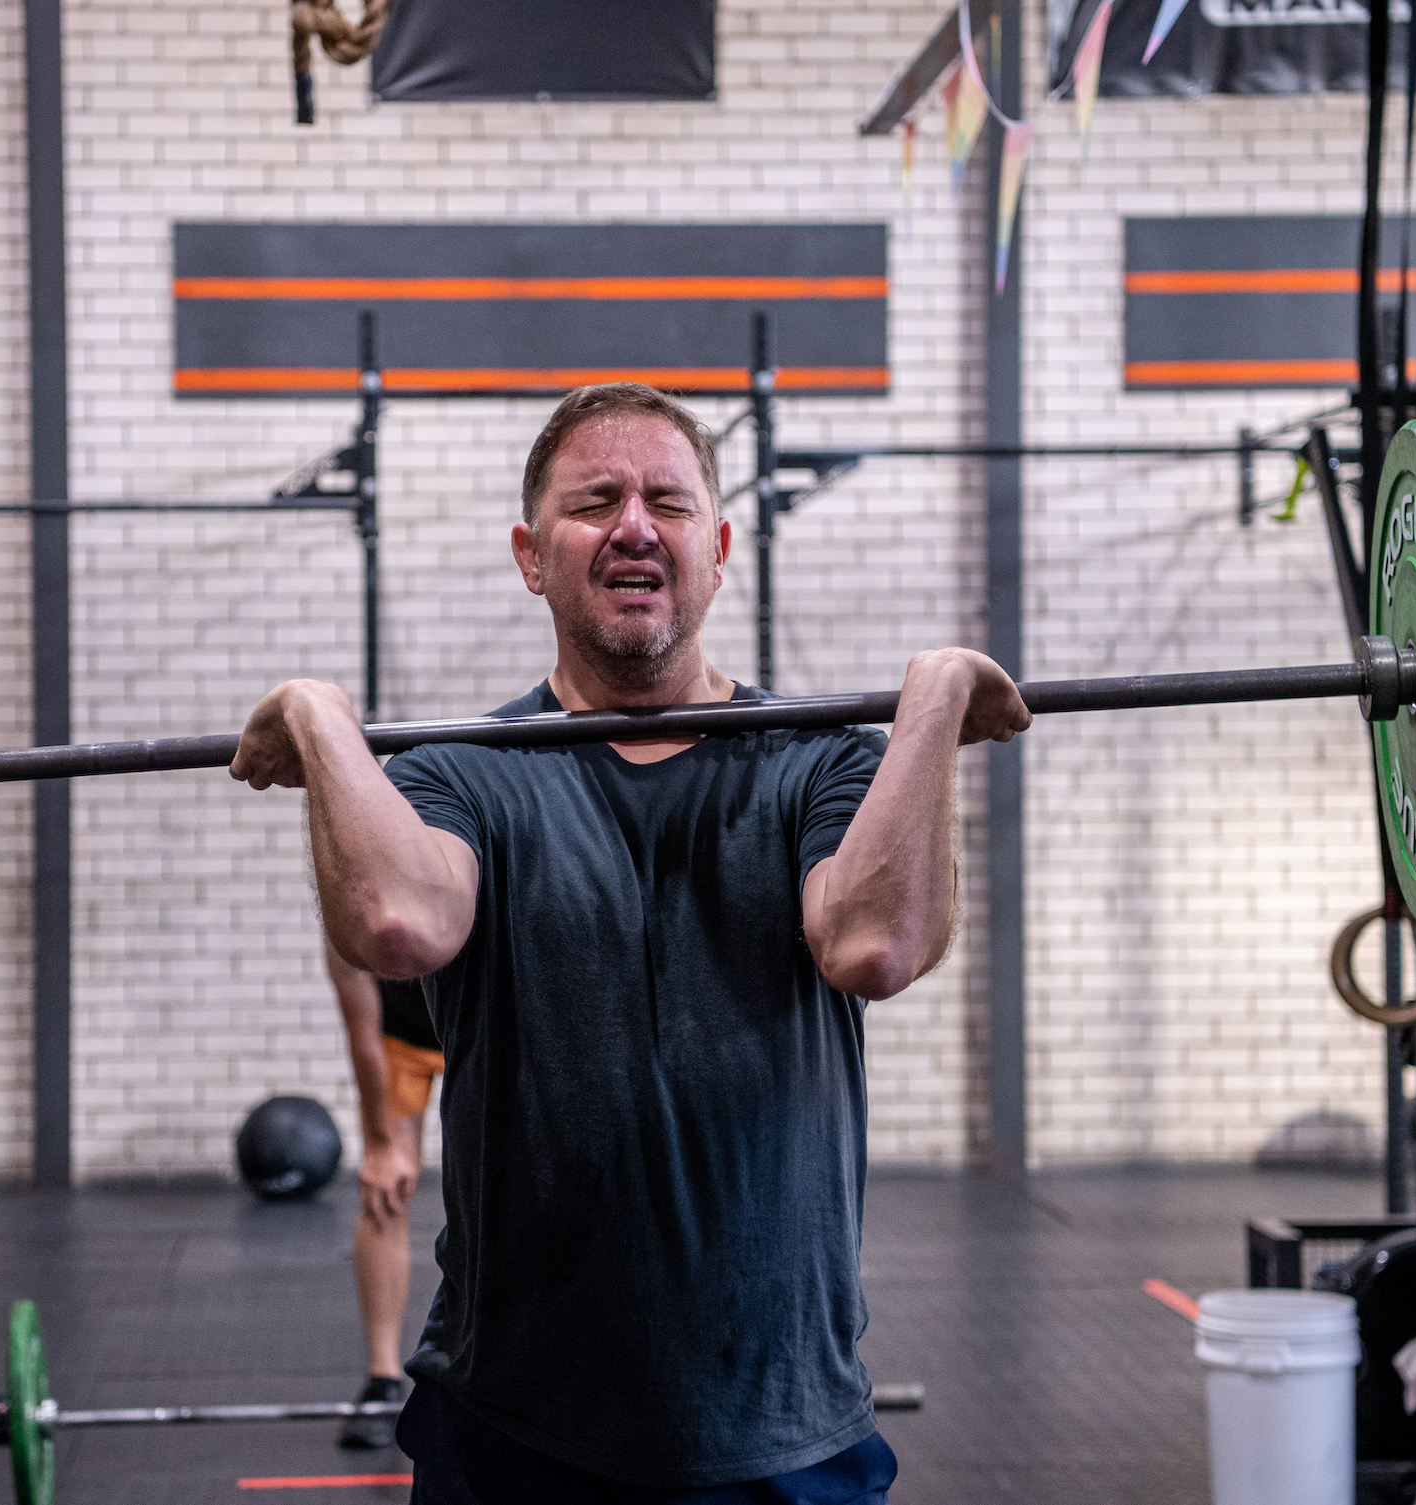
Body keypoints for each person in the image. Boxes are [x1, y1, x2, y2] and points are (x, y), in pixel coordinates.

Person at [231, 383, 1028, 1502]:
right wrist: (318, 716)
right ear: (529, 554)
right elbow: (399, 924)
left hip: (780, 1422)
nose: (635, 525)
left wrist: (934, 702)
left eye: (668, 499)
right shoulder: (465, 770)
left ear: (717, 545)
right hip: (516, 1425)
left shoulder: (821, 764)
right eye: (592, 501)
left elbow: (873, 946)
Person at [325, 942, 442, 1450]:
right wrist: (379, 1146)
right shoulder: (350, 921)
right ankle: (383, 1378)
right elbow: (364, 1034)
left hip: (488, 1036)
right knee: (385, 1192)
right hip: (401, 1042)